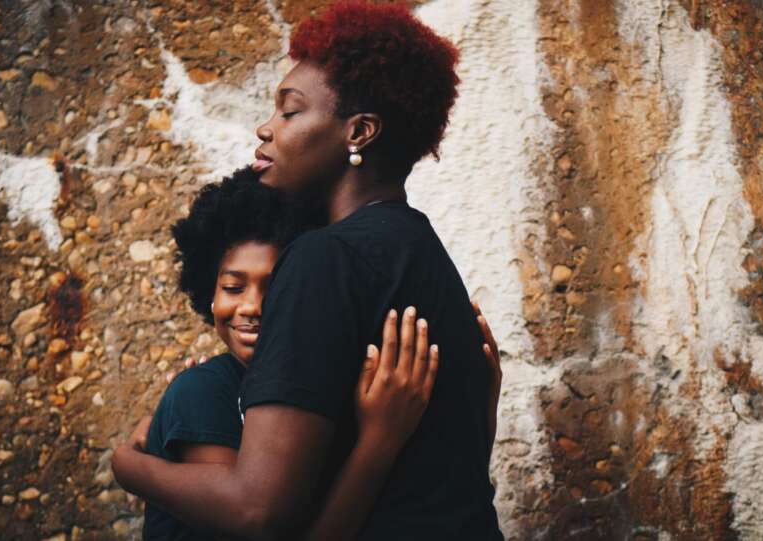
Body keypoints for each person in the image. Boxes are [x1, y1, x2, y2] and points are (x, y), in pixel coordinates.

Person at [112, 2, 504, 539]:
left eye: (290, 112)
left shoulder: (325, 258)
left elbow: (258, 510)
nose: (266, 128)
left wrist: (130, 467)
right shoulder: (422, 250)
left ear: (359, 132)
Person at [142, 168, 454, 540]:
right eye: (233, 287)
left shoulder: (309, 391)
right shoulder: (204, 393)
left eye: (277, 287)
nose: (252, 306)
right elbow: (256, 521)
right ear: (209, 293)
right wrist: (378, 442)